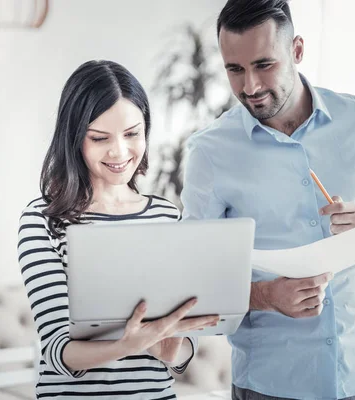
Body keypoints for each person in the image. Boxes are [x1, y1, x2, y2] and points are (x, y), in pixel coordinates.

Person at [180, 1, 355, 399]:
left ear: (297, 51)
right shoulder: (209, 153)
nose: (250, 87)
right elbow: (192, 281)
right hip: (270, 387)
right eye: (235, 69)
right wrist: (264, 296)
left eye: (264, 65)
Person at [18, 60, 219, 399]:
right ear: (74, 139)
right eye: (100, 138)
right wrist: (125, 345)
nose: (120, 151)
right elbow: (57, 351)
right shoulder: (44, 219)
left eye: (131, 134)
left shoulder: (167, 216)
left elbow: (181, 351)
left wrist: (175, 352)